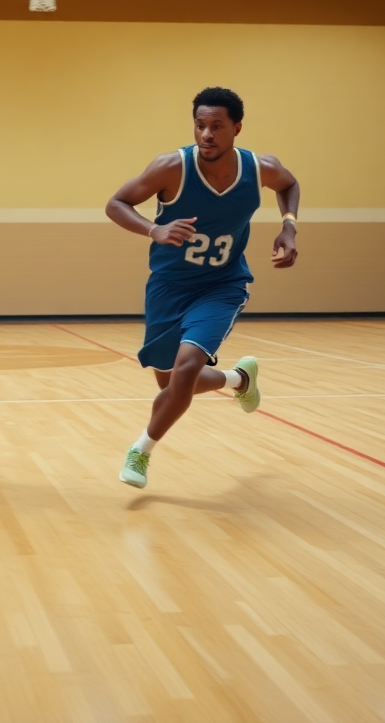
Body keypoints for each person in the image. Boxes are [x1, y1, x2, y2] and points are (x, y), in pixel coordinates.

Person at [105, 86, 299, 489]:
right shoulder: (171, 167)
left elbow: (289, 185)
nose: (206, 134)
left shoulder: (259, 169)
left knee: (188, 367)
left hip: (223, 284)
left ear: (236, 128)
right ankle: (239, 380)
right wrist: (154, 229)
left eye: (216, 126)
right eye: (200, 125)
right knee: (172, 381)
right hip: (169, 287)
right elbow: (117, 203)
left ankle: (141, 450)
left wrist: (289, 228)